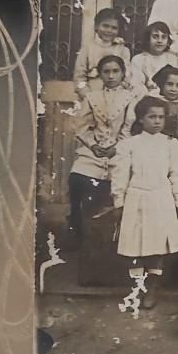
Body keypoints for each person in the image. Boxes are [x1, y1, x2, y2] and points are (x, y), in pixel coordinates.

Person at [109, 95, 178, 309]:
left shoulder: (171, 144)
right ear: (141, 119)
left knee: (156, 246)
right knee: (134, 246)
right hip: (136, 198)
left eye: (161, 117)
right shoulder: (129, 145)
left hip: (161, 199)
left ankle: (152, 288)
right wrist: (119, 202)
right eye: (151, 117)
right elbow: (120, 175)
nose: (157, 121)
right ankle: (138, 287)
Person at [67, 55, 134, 244]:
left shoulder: (131, 97)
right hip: (94, 150)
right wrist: (93, 146)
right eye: (106, 72)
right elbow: (82, 127)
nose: (111, 76)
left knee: (122, 179)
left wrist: (117, 147)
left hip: (120, 149)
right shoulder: (92, 97)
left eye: (115, 71)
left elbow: (129, 127)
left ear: (123, 73)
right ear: (100, 75)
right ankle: (77, 225)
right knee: (77, 176)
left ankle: (121, 233)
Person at [72, 7, 131, 94]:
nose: (109, 31)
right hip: (91, 96)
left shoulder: (123, 50)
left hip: (116, 97)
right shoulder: (87, 49)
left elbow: (127, 77)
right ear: (96, 26)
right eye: (105, 26)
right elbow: (79, 79)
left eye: (114, 28)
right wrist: (89, 97)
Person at [130, 21, 178, 95]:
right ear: (148, 39)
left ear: (168, 40)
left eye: (164, 37)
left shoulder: (173, 58)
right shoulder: (138, 59)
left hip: (171, 95)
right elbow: (137, 83)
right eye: (155, 37)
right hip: (147, 96)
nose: (159, 41)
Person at [147, 64, 178, 152]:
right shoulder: (153, 103)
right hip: (153, 142)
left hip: (176, 145)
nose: (173, 89)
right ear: (161, 85)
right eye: (169, 84)